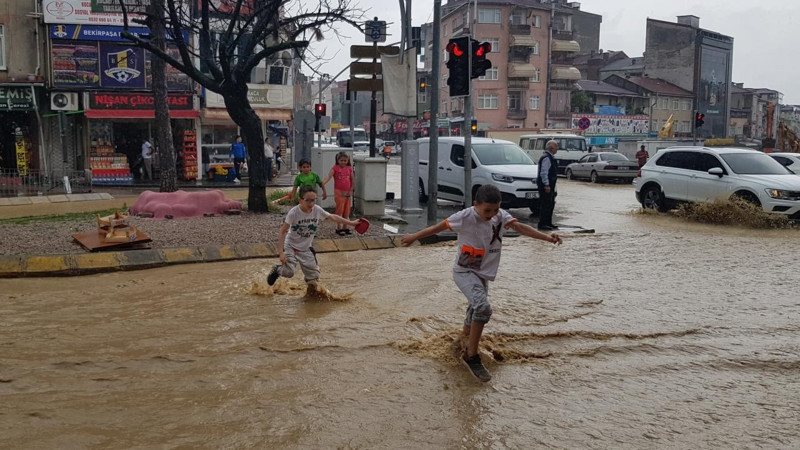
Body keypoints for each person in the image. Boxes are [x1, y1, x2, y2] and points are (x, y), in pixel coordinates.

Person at [401, 185, 562, 382]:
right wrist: (413, 237)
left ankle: (463, 340)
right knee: (483, 308)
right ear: (475, 205)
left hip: (482, 274)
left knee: (474, 311)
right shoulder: (465, 217)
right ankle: (471, 356)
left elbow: (520, 227)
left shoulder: (500, 216)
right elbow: (438, 228)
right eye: (487, 210)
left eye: (495, 210)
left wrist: (547, 237)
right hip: (464, 271)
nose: (491, 215)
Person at [267, 185, 364, 286]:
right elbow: (282, 231)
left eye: (314, 200)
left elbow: (333, 217)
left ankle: (310, 296)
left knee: (313, 278)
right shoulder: (293, 213)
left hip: (306, 248)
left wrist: (351, 223)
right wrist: (281, 253)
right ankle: (277, 269)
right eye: (308, 200)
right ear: (300, 200)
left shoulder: (317, 210)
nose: (311, 204)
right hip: (291, 245)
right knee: (289, 272)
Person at [322, 152, 355, 235]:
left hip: (347, 192)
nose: (343, 162)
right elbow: (329, 176)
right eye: (341, 160)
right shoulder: (335, 168)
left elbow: (352, 180)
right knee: (339, 209)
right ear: (337, 160)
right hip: (339, 192)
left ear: (348, 160)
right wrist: (322, 183)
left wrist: (351, 190)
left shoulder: (349, 168)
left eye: (345, 160)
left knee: (347, 210)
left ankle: (345, 227)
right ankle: (338, 227)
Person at [536, 140, 559, 231]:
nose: (557, 148)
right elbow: (544, 173)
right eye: (556, 146)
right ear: (552, 148)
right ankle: (543, 224)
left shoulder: (550, 157)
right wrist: (546, 185)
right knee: (545, 204)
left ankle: (548, 223)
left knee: (550, 204)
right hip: (546, 186)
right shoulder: (546, 158)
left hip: (551, 185)